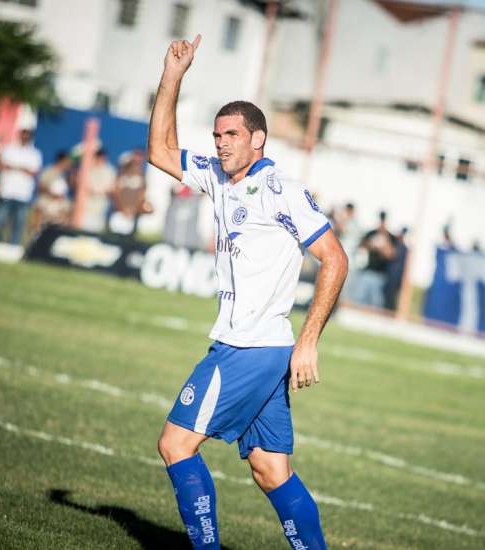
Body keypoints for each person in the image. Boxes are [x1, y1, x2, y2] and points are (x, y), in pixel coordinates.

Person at [147, 34, 347, 550]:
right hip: (259, 348)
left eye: (232, 134)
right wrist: (174, 75)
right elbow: (160, 151)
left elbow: (334, 259)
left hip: (248, 348)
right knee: (270, 471)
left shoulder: (279, 189)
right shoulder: (218, 177)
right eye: (217, 135)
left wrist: (309, 341)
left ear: (257, 139)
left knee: (175, 445)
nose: (221, 143)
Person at [0, 129, 41, 244]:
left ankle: (12, 246)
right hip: (7, 191)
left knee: (19, 223)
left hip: (23, 194)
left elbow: (33, 172)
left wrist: (13, 166)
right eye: (23, 136)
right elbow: (2, 167)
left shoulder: (34, 154)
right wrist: (22, 168)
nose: (25, 138)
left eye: (27, 136)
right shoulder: (10, 149)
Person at [354, 210, 394, 308]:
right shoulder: (371, 233)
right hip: (367, 271)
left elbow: (391, 255)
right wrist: (372, 245)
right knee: (359, 299)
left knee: (376, 303)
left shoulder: (389, 236)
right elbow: (360, 246)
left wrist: (382, 246)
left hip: (380, 274)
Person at [31, 150, 74, 232]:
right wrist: (51, 193)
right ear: (62, 160)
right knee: (39, 230)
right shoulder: (49, 171)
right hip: (45, 206)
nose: (69, 163)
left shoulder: (67, 174)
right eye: (68, 161)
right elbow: (40, 187)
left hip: (59, 209)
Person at [109, 151, 149, 236]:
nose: (136, 163)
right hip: (118, 212)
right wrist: (123, 209)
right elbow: (115, 193)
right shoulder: (121, 175)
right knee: (114, 237)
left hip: (132, 214)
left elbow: (142, 195)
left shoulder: (142, 176)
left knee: (129, 239)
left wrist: (133, 209)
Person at [80, 149, 115, 233]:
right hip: (87, 203)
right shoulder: (87, 169)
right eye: (100, 158)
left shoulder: (109, 170)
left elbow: (111, 187)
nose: (102, 161)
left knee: (96, 227)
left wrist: (103, 192)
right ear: (96, 157)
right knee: (84, 225)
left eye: (104, 159)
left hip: (101, 203)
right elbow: (82, 184)